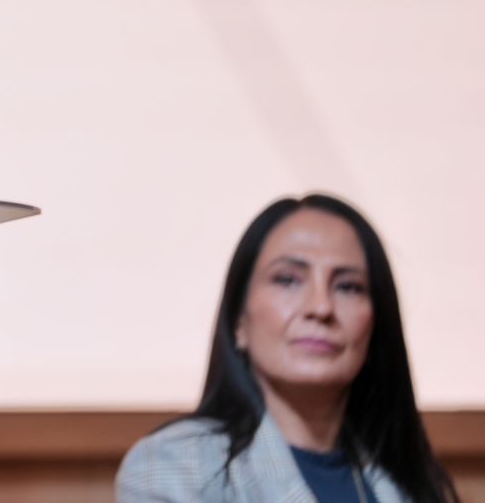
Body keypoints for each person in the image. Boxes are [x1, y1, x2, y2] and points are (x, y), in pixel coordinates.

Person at [116, 194, 458, 503]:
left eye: (348, 287)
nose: (320, 307)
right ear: (239, 322)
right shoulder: (178, 465)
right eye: (287, 279)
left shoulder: (410, 482)